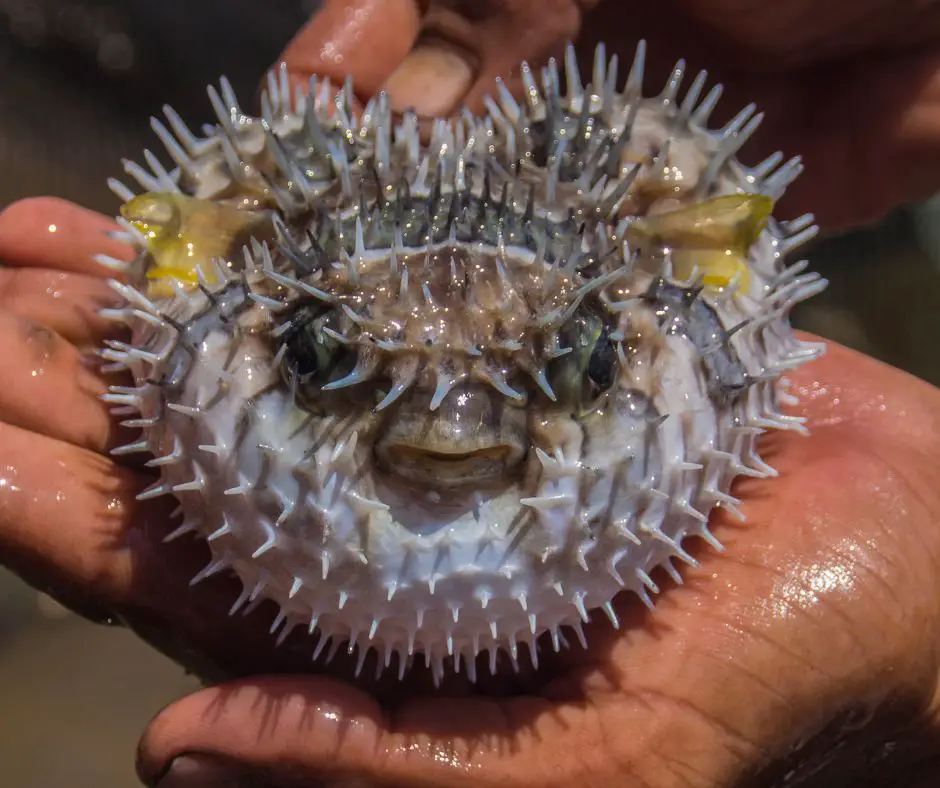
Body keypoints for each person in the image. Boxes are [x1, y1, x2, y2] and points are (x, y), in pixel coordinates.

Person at [1, 1, 939, 785]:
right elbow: (175, 246)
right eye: (326, 360)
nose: (453, 428)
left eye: (577, 370)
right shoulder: (216, 300)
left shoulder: (678, 293)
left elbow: (729, 230)